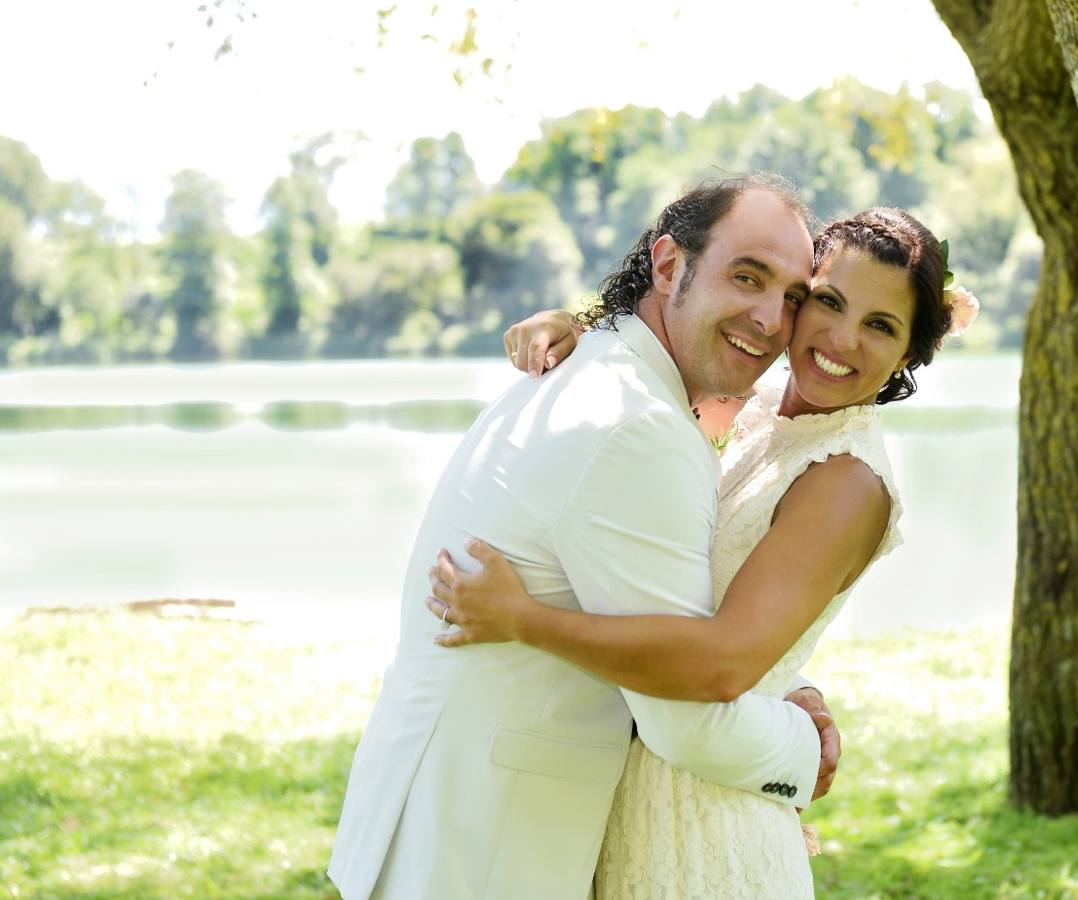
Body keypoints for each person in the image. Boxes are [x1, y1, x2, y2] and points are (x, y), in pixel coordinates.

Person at [425, 206, 978, 898]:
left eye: (880, 325)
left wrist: (523, 620)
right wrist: (586, 338)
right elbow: (641, 399)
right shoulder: (755, 406)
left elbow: (721, 663)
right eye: (826, 302)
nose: (840, 337)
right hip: (625, 799)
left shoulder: (846, 480)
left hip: (707, 827)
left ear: (908, 356)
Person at [328, 174, 843, 900]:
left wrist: (783, 680)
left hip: (436, 832)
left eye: (792, 297)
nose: (769, 319)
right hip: (482, 859)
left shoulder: (594, 369)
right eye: (746, 277)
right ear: (668, 266)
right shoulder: (637, 428)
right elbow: (685, 724)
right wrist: (802, 747)